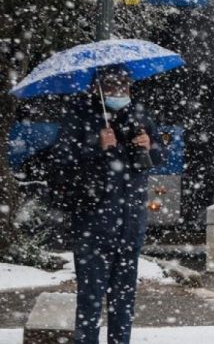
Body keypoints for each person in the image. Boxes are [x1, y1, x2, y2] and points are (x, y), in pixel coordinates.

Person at [52, 67, 164, 344]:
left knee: (124, 298)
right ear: (98, 87)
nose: (120, 91)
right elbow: (61, 164)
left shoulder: (139, 114)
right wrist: (96, 147)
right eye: (113, 86)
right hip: (92, 222)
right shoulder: (81, 116)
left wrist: (150, 146)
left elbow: (160, 154)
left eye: (125, 84)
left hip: (131, 220)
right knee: (90, 298)